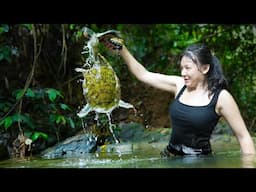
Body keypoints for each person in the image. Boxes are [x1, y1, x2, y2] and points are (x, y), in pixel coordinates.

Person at [100, 35, 256, 156]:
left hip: (199, 161)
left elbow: (243, 137)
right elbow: (143, 74)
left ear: (205, 68)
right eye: (181, 68)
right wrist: (123, 50)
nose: (183, 73)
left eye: (188, 68)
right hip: (170, 155)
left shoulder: (221, 97)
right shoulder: (179, 85)